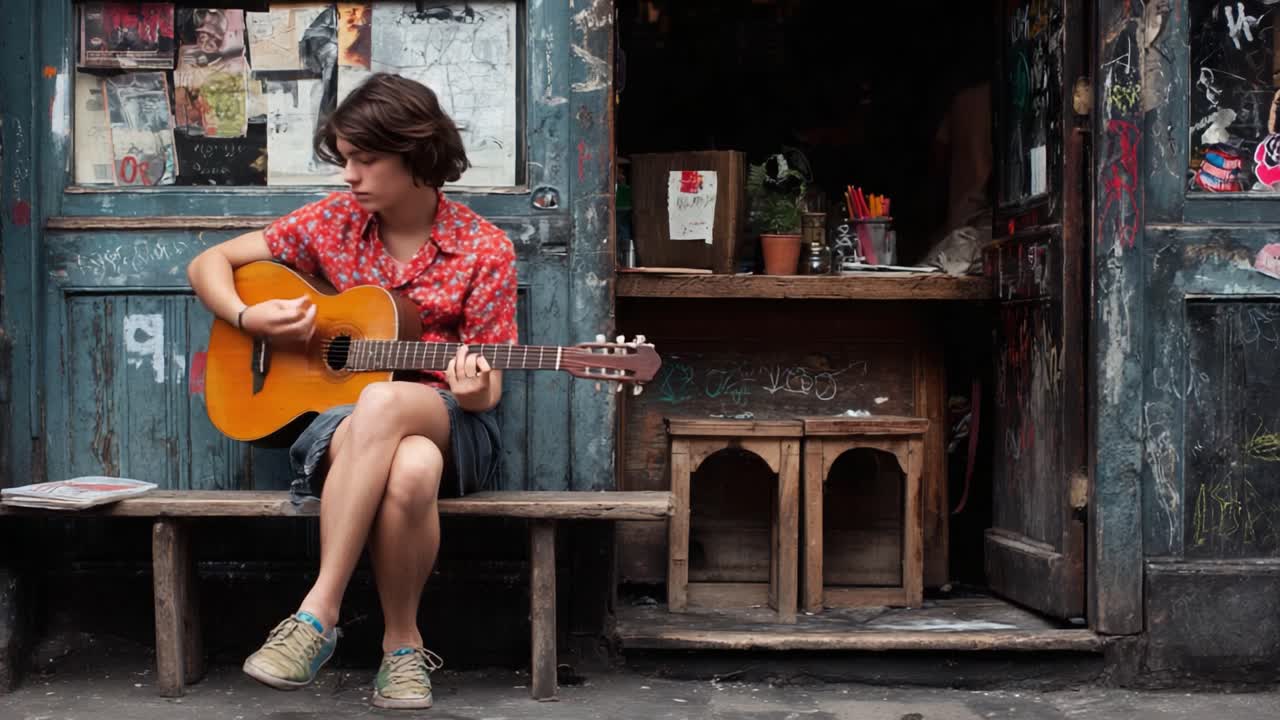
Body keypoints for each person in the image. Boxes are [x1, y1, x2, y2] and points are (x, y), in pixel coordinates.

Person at [186, 72, 517, 710]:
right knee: (410, 466)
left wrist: (470, 388)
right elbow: (210, 264)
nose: (349, 176)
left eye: (365, 161)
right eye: (344, 160)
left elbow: (488, 392)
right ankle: (402, 648)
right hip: (348, 428)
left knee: (389, 403)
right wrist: (248, 318)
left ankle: (317, 614)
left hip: (457, 427)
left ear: (416, 154)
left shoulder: (484, 249)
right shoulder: (334, 223)